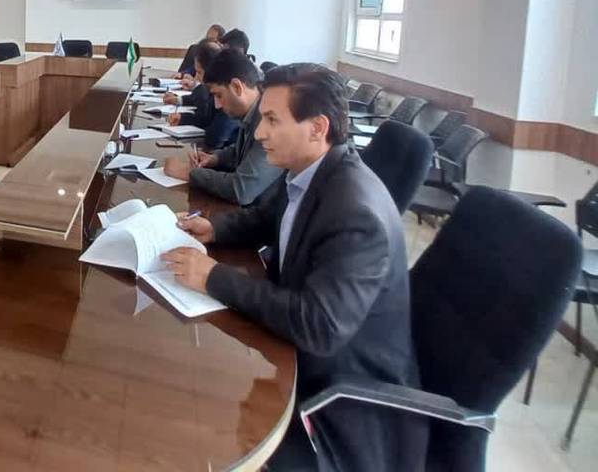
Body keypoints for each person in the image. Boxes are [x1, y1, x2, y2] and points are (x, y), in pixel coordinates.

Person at [162, 64, 425, 470]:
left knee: (194, 421)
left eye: (272, 120)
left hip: (341, 395)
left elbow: (318, 325)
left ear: (317, 128)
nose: (259, 133)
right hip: (299, 353)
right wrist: (214, 228)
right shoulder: (312, 170)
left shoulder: (356, 212)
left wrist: (212, 276)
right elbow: (266, 218)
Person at [162, 49, 281, 205]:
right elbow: (240, 150)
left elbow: (241, 189)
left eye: (219, 95)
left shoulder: (269, 120)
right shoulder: (252, 111)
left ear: (237, 87)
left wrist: (190, 173)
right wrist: (215, 158)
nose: (217, 105)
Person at [163, 39, 237, 150]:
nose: (196, 77)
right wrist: (182, 118)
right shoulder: (212, 90)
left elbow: (215, 138)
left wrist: (198, 86)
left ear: (211, 70)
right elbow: (205, 118)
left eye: (199, 72)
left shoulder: (227, 93)